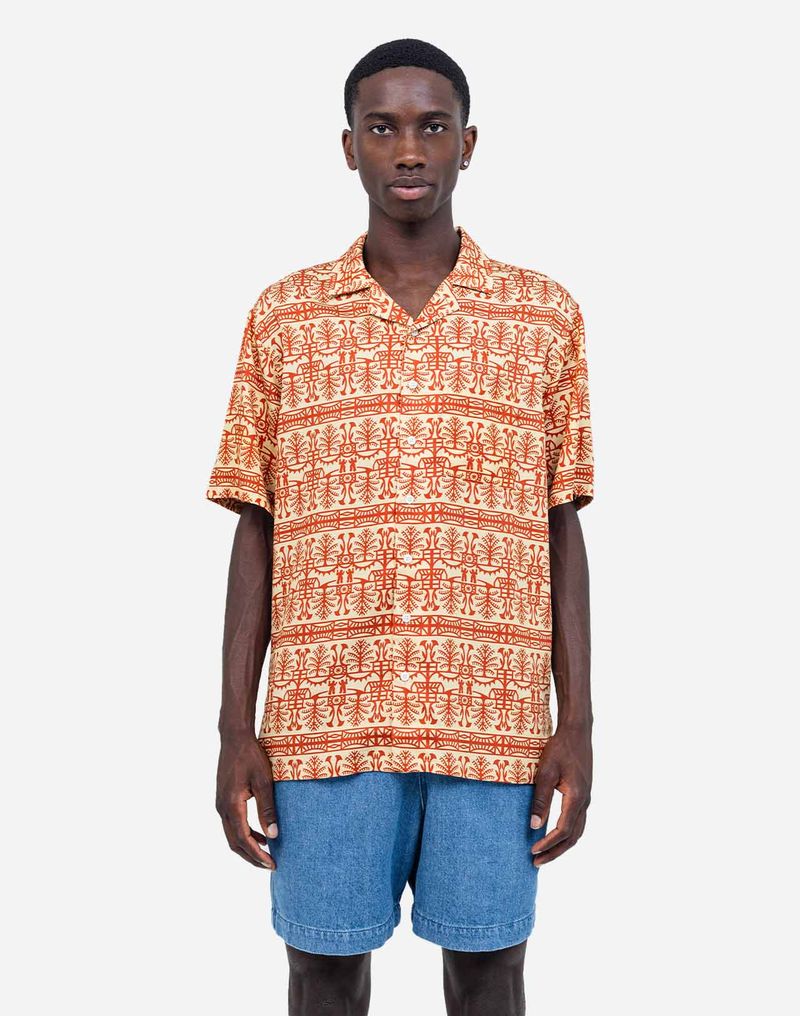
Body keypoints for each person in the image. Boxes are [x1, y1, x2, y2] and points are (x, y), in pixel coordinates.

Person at [206, 37, 595, 1016]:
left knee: (489, 972)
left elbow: (560, 524)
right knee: (323, 971)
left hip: (494, 726)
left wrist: (576, 722)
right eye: (382, 128)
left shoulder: (543, 317)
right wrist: (234, 727)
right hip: (323, 726)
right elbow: (256, 525)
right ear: (349, 147)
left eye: (432, 127)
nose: (409, 150)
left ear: (469, 143)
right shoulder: (284, 317)